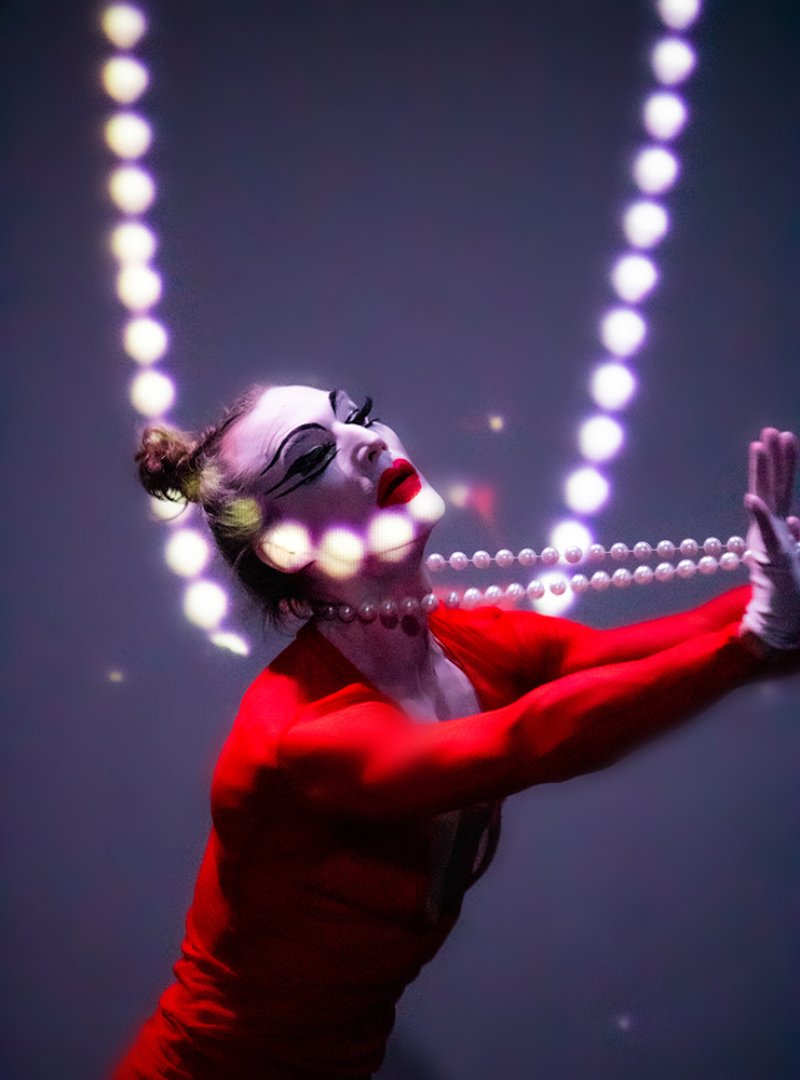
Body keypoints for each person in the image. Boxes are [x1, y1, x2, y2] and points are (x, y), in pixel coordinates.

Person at [112, 384, 800, 1079]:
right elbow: (524, 740)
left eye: (356, 414)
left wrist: (776, 596)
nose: (371, 440)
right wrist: (753, 644)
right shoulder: (301, 733)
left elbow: (651, 650)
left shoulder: (473, 643)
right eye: (315, 453)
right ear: (284, 547)